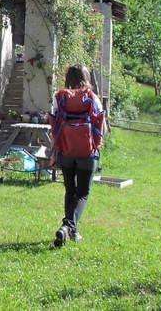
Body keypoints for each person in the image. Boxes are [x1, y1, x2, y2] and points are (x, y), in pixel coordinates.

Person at [49, 64, 106, 247]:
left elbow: (54, 127)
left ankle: (71, 231)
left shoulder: (59, 97)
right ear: (86, 77)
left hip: (66, 151)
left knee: (69, 191)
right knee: (82, 194)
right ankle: (68, 227)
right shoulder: (92, 98)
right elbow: (101, 126)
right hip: (87, 153)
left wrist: (53, 153)